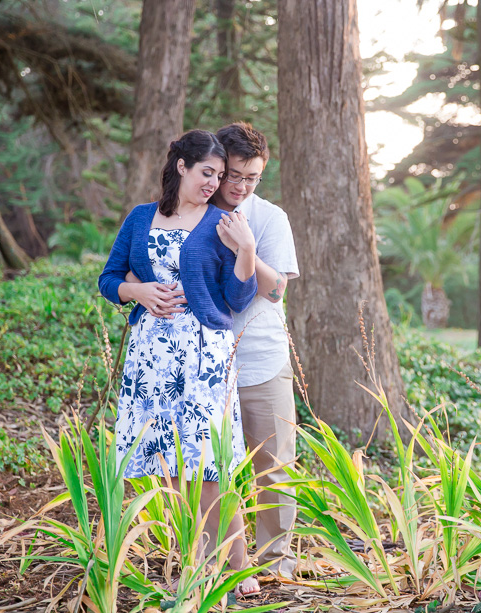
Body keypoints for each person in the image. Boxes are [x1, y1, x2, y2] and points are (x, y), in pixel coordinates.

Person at [98, 129, 262, 596]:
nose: (213, 182)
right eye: (206, 173)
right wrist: (138, 290)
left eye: (219, 175)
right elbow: (109, 278)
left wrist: (246, 250)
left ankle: (218, 574)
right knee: (170, 467)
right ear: (181, 167)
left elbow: (236, 296)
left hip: (203, 354)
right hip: (151, 356)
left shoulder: (223, 223)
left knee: (208, 462)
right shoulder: (139, 218)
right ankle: (201, 561)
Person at [212, 122, 300, 579]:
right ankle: (221, 561)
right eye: (235, 175)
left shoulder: (270, 218)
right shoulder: (194, 210)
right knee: (209, 468)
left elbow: (276, 289)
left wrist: (245, 245)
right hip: (205, 363)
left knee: (273, 465)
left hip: (262, 360)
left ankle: (275, 564)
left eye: (252, 178)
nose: (242, 187)